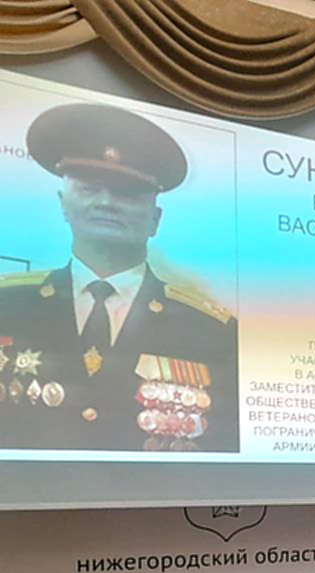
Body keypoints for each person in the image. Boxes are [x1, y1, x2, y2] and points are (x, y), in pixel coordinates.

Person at [0, 102, 238, 452]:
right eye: (89, 188)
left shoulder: (212, 330)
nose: (105, 203)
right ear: (63, 204)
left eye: (125, 192)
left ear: (156, 219)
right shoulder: (8, 305)